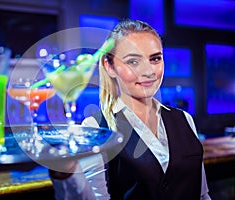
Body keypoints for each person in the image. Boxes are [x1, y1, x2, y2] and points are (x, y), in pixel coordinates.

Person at [48, 19, 211, 200]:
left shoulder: (184, 119)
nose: (148, 71)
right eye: (133, 61)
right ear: (110, 66)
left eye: (155, 58)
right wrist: (66, 173)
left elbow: (202, 195)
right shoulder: (96, 127)